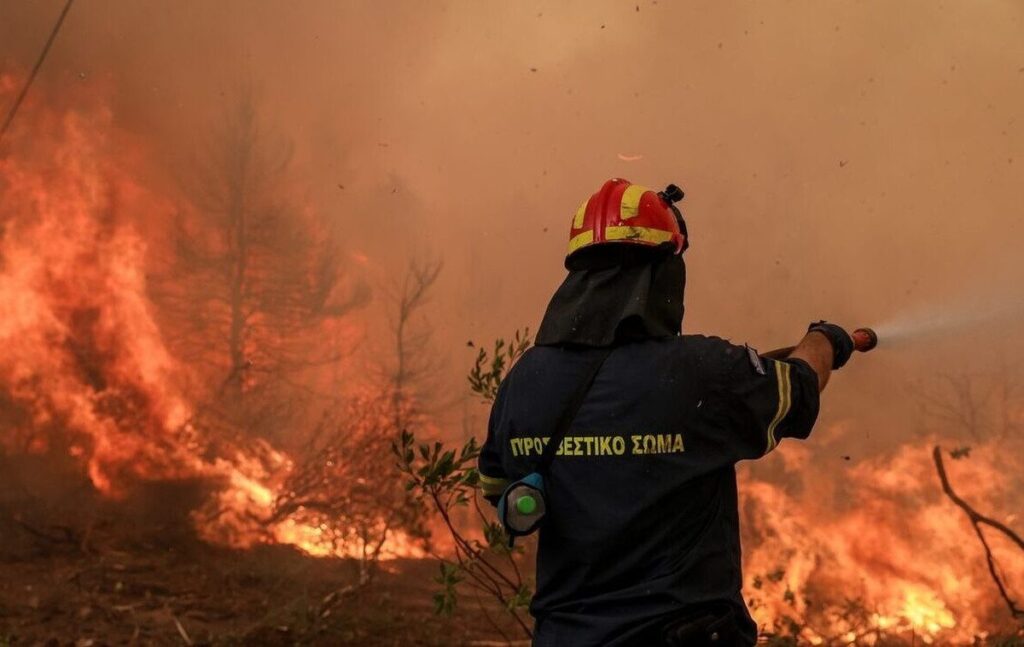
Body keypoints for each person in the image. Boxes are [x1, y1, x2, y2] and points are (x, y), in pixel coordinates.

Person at [477, 178, 855, 647]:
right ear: (662, 276)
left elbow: (497, 487)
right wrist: (825, 340)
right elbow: (798, 390)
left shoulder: (524, 380)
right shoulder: (702, 372)